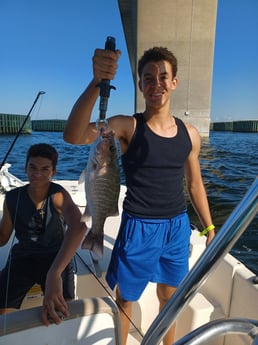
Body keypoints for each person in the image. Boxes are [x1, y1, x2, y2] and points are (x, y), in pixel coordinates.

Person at [42, 46, 215, 344]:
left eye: (163, 76)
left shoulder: (190, 134)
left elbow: (195, 184)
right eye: (148, 78)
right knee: (126, 299)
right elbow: (73, 135)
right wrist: (97, 82)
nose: (156, 83)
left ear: (174, 82)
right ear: (140, 85)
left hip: (177, 227)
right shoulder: (127, 126)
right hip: (139, 228)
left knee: (169, 296)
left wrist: (210, 227)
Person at [0, 143, 87, 315]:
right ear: (25, 168)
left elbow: (79, 225)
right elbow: (2, 238)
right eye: (32, 167)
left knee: (62, 311)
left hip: (56, 258)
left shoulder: (58, 195)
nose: (37, 174)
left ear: (53, 172)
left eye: (45, 169)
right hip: (22, 258)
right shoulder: (11, 198)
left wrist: (55, 272)